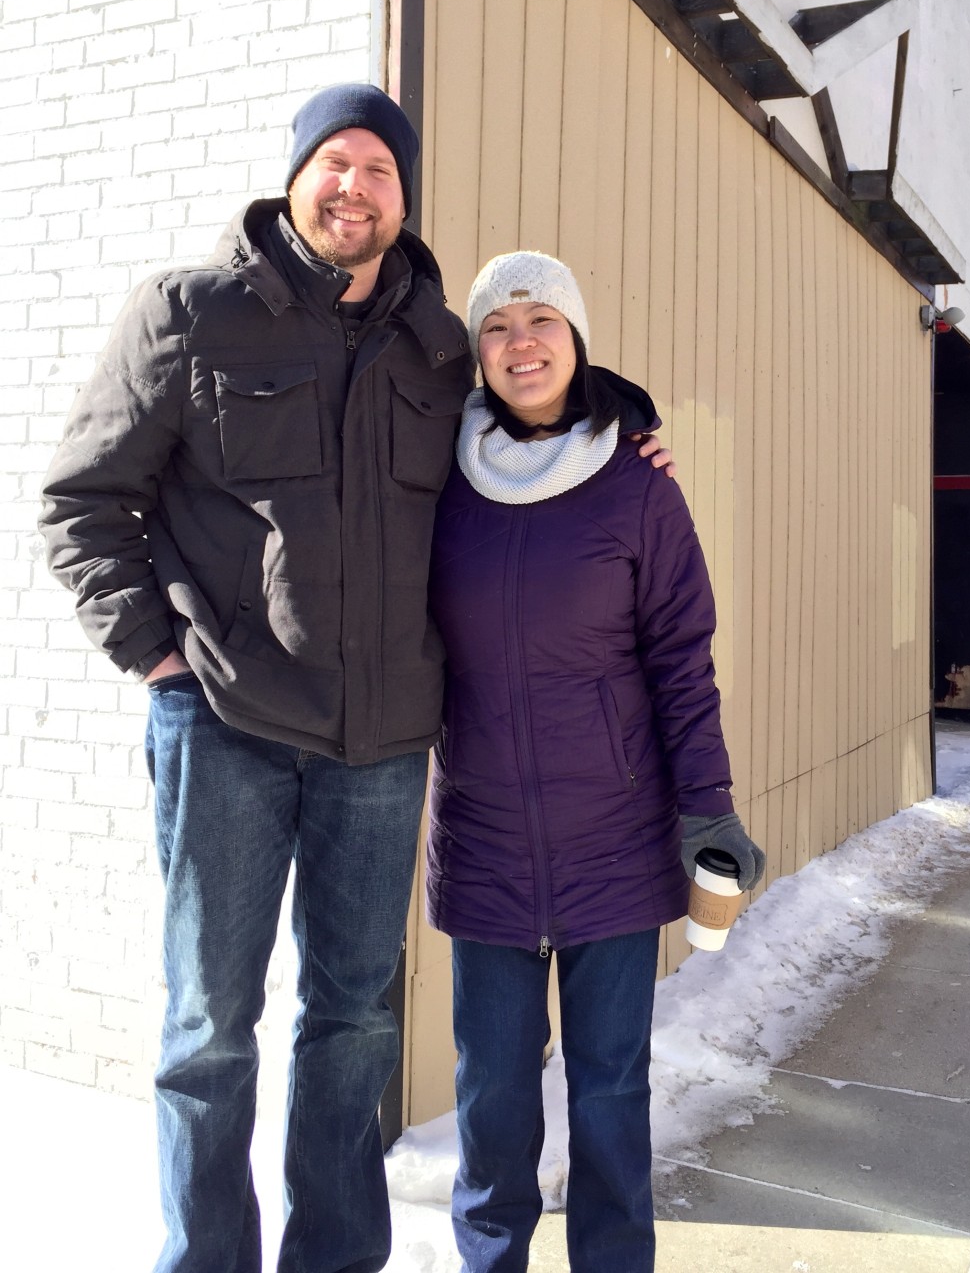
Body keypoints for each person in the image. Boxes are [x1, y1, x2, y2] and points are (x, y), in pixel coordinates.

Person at [38, 84, 670, 1273]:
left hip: (380, 751)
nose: (355, 187)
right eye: (336, 161)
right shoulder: (192, 311)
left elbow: (529, 409)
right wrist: (157, 658)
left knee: (354, 1026)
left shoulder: (438, 344)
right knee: (210, 1031)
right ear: (296, 177)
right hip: (223, 723)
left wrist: (621, 412)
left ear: (404, 197)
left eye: (381, 170)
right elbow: (83, 499)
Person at [426, 251, 766, 1273]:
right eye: (496, 325)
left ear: (577, 343)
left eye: (542, 320)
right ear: (476, 352)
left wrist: (706, 806)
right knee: (491, 1099)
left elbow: (679, 657)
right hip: (482, 842)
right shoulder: (437, 481)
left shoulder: (636, 486)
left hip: (614, 846)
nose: (519, 342)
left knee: (610, 1092)